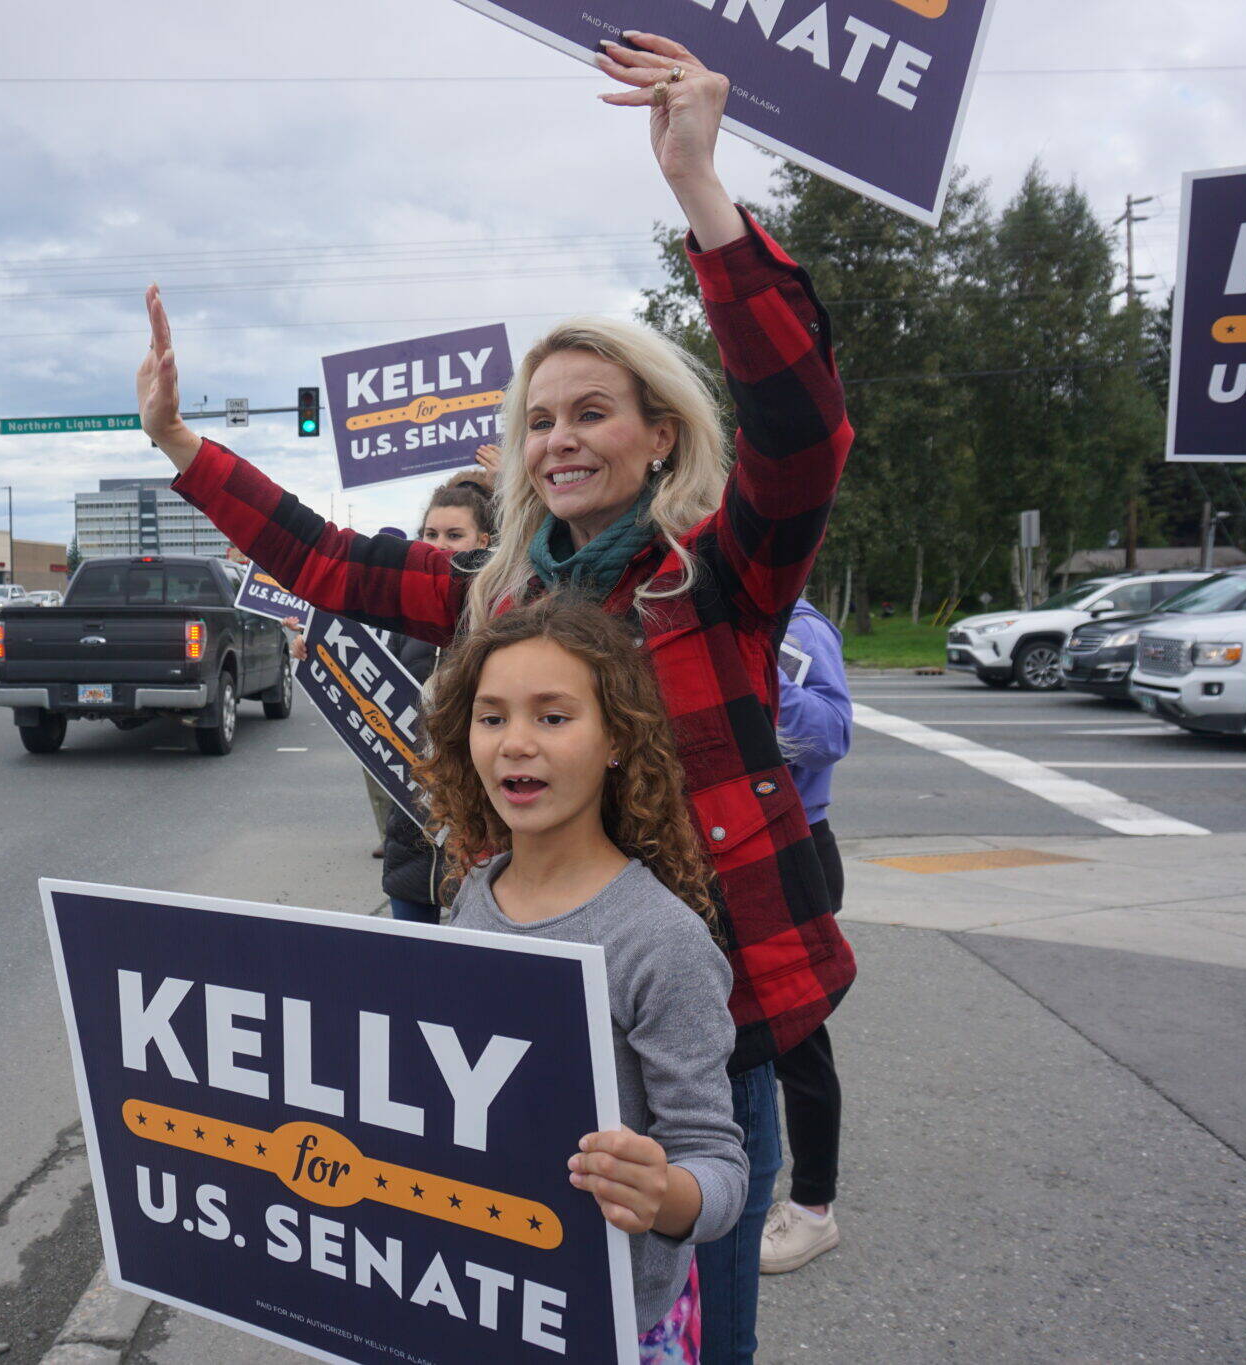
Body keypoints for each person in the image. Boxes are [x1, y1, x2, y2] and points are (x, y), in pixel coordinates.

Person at [138, 32, 853, 1362]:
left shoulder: (724, 573)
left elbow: (806, 431)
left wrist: (701, 191)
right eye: (539, 419)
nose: (562, 439)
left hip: (712, 1007)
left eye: (593, 412)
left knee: (695, 1321)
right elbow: (326, 560)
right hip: (536, 1013)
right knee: (541, 1305)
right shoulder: (500, 591)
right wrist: (184, 448)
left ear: (658, 433)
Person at [424, 592, 746, 1361]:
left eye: (553, 716)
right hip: (478, 1293)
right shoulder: (471, 891)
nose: (516, 744)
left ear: (615, 740)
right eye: (492, 716)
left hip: (614, 1324)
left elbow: (719, 1164)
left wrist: (663, 1192)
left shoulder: (662, 940)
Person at [760, 596, 852, 1275]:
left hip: (793, 849)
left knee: (794, 1036)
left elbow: (831, 735)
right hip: (710, 842)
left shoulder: (800, 625)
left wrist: (761, 674)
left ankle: (814, 1208)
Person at [383, 471, 498, 921]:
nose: (440, 544)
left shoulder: (503, 616)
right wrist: (313, 651)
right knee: (410, 981)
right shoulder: (405, 618)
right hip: (411, 833)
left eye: (455, 534)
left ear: (484, 540)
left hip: (479, 835)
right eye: (430, 534)